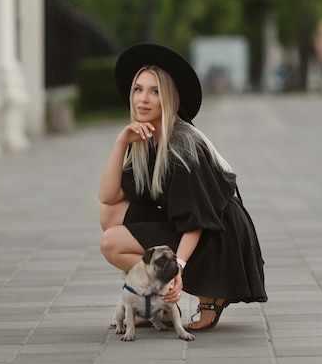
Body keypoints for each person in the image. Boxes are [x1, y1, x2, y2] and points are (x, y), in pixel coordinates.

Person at [99, 43, 267, 331]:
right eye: (138, 89)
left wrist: (177, 266)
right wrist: (121, 142)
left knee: (111, 242)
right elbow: (108, 196)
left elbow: (195, 219)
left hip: (219, 235)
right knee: (110, 216)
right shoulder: (144, 139)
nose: (143, 99)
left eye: (154, 92)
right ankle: (160, 306)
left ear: (169, 99)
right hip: (192, 225)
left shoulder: (182, 145)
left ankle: (207, 295)